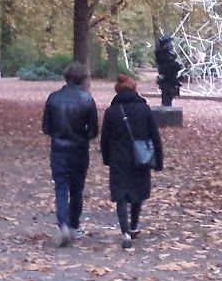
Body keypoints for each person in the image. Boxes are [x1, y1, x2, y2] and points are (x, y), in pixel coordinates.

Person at [100, 73, 164, 249]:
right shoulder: (144, 110)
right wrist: (158, 161)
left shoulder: (111, 112)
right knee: (137, 193)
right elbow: (155, 136)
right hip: (140, 158)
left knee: (121, 195)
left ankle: (125, 232)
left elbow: (104, 139)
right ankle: (134, 226)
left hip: (118, 158)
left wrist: (107, 159)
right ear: (134, 89)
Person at [42, 61, 98, 247]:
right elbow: (93, 131)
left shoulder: (53, 98)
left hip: (59, 150)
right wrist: (82, 136)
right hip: (79, 150)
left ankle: (63, 224)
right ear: (82, 79)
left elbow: (46, 127)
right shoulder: (87, 100)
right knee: (77, 189)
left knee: (61, 188)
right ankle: (74, 225)